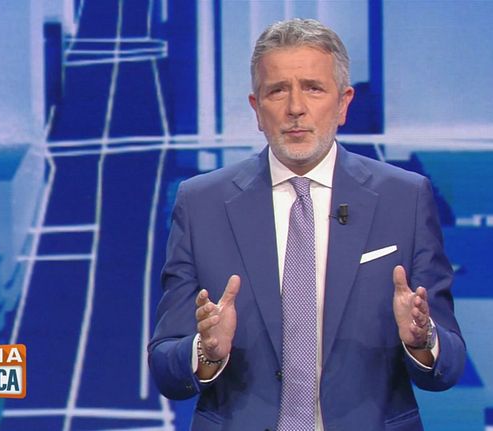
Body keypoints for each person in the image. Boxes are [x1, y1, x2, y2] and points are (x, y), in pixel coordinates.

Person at [148, 18, 465, 431]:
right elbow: (165, 365)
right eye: (278, 90)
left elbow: (448, 365)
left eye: (313, 88)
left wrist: (422, 340)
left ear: (344, 103)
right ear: (256, 108)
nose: (295, 108)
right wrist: (204, 352)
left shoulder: (404, 198)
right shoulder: (201, 203)